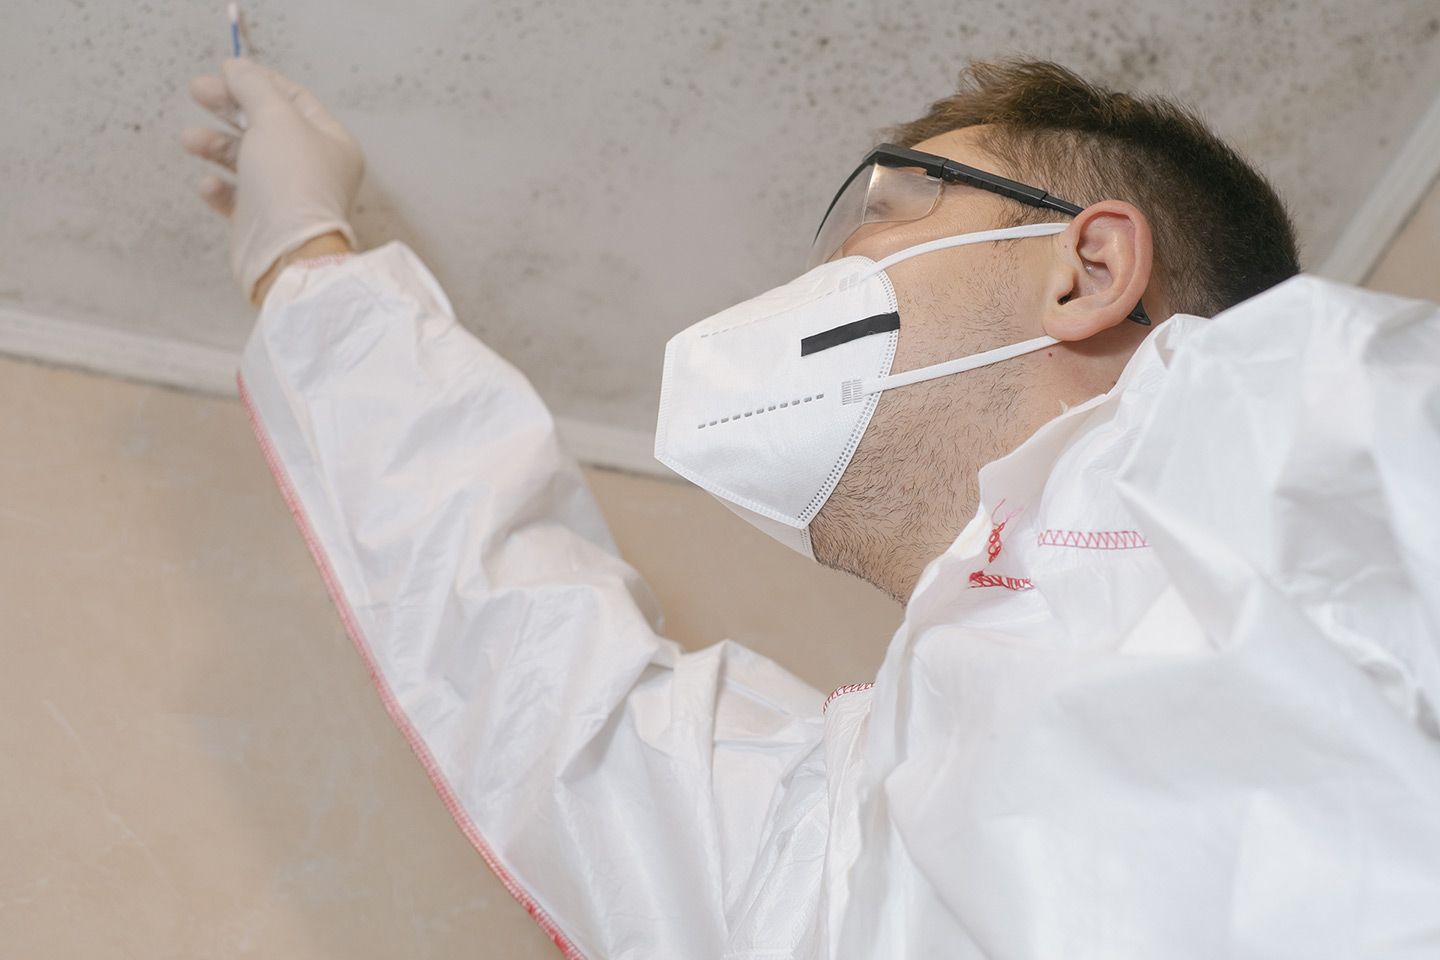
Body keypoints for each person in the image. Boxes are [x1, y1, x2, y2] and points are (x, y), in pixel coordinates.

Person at [181, 56, 1440, 958]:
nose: (821, 280)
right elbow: (535, 680)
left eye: (890, 214)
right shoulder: (834, 832)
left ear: (1089, 267)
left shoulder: (1293, 429)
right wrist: (307, 260)